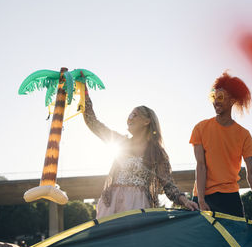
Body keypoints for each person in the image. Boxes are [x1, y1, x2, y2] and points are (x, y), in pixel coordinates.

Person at [83, 86, 198, 218]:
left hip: (138, 205)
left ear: (146, 121)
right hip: (112, 204)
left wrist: (185, 201)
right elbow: (93, 123)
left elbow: (168, 184)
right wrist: (85, 93)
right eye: (129, 116)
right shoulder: (120, 143)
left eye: (134, 115)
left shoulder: (157, 153)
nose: (129, 119)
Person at [189, 71, 252, 228]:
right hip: (204, 197)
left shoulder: (244, 135)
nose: (215, 102)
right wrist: (200, 200)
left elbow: (251, 172)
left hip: (230, 198)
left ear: (233, 100)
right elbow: (201, 165)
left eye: (220, 97)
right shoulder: (200, 128)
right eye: (214, 97)